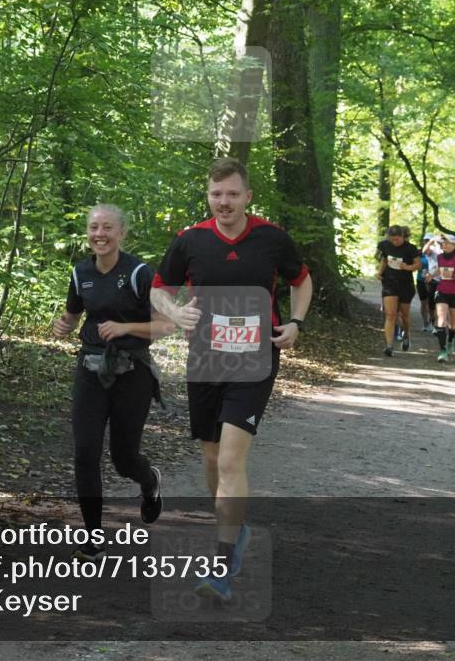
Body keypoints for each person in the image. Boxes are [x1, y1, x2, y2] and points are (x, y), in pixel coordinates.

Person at [150, 159, 312, 600]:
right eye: (216, 194)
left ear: (247, 197)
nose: (224, 202)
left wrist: (296, 322)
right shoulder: (190, 240)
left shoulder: (272, 238)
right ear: (208, 196)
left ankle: (221, 566)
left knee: (229, 461)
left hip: (255, 361)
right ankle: (234, 530)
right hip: (205, 359)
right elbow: (159, 288)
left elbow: (302, 280)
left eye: (232, 194)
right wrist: (174, 311)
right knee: (210, 458)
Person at [52, 204, 173, 562]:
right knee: (85, 453)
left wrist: (125, 328)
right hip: (91, 369)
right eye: (94, 227)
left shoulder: (139, 273)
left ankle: (149, 481)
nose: (99, 234)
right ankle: (93, 539)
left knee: (124, 459)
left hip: (132, 373)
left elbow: (166, 326)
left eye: (107, 228)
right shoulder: (81, 272)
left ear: (122, 233)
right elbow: (73, 315)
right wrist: (64, 326)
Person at [376, 224, 420, 355]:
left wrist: (407, 267)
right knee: (390, 314)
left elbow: (418, 265)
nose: (395, 242)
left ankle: (406, 335)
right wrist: (380, 272)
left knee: (404, 316)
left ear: (403, 237)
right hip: (389, 283)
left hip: (406, 285)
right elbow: (384, 260)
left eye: (397, 239)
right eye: (392, 239)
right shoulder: (385, 245)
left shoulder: (410, 248)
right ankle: (389, 346)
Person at [432, 234, 455, 362]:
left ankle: (450, 340)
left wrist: (453, 276)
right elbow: (440, 269)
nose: (445, 245)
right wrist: (431, 275)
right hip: (441, 291)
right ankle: (442, 351)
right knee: (441, 320)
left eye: (448, 243)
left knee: (453, 324)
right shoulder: (439, 257)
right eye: (443, 243)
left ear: (454, 245)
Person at [421, 233, 443, 334]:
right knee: (432, 304)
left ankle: (440, 324)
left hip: (444, 280)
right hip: (432, 280)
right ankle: (434, 323)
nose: (440, 241)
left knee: (441, 303)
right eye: (439, 239)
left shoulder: (446, 249)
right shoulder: (433, 249)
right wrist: (431, 240)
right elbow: (424, 251)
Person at [416, 245, 432, 331]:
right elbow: (415, 265)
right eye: (426, 241)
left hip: (432, 281)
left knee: (431, 303)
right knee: (423, 303)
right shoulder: (419, 253)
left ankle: (432, 322)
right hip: (421, 281)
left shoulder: (436, 254)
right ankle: (425, 322)